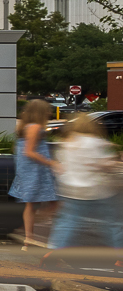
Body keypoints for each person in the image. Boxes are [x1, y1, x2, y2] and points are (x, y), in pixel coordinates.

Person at [43, 110, 123, 266]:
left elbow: (60, 167)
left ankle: (54, 250)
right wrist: (115, 159)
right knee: (112, 222)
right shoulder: (95, 142)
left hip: (70, 190)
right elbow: (104, 164)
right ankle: (119, 256)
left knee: (67, 222)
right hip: (96, 191)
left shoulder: (66, 144)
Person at [9, 97, 61, 248]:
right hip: (35, 171)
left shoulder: (25, 127)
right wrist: (51, 163)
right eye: (47, 110)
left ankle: (28, 238)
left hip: (30, 170)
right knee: (54, 203)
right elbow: (29, 151)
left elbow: (20, 150)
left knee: (32, 204)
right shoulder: (35, 127)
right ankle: (32, 234)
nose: (50, 113)